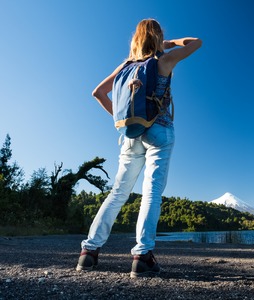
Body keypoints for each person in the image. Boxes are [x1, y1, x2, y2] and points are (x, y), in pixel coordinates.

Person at [76, 18, 202, 278]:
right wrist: (168, 44)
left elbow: (98, 93)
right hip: (160, 130)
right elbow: (196, 43)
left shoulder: (125, 65)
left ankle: (89, 252)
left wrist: (120, 122)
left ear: (136, 39)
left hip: (130, 134)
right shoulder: (163, 61)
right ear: (157, 38)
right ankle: (142, 255)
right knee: (151, 192)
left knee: (118, 192)